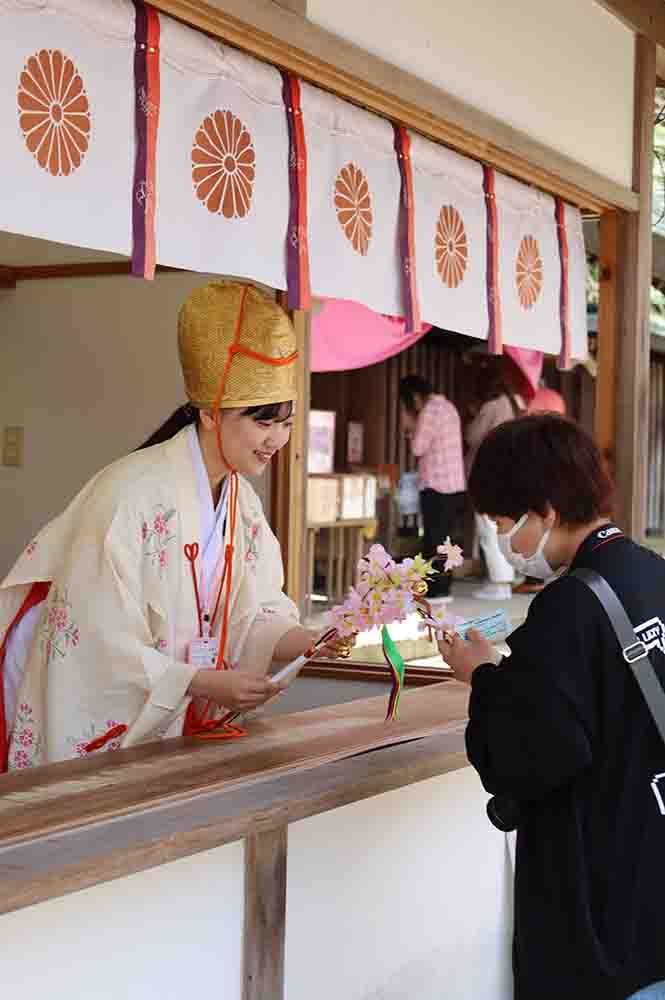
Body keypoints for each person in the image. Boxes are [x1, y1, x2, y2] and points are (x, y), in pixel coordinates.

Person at [0, 280, 343, 770]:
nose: (276, 440)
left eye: (285, 423)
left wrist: (312, 641)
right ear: (209, 414)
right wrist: (198, 681)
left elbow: (256, 610)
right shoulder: (129, 494)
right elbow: (97, 639)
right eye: (262, 422)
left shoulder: (240, 503)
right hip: (111, 719)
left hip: (173, 717)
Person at [442, 414, 665, 1000]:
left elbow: (531, 755)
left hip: (598, 904)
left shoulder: (568, 606)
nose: (505, 546)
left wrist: (483, 677)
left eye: (502, 525)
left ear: (544, 510)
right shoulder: (653, 573)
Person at [399, 375, 465, 601]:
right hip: (455, 484)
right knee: (445, 540)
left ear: (414, 397)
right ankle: (444, 585)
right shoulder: (447, 406)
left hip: (436, 484)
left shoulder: (428, 411)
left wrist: (409, 427)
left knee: (433, 539)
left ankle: (435, 590)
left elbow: (418, 447)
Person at [465, 357, 525, 600]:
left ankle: (499, 583)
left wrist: (473, 415)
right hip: (508, 472)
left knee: (489, 529)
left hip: (489, 473)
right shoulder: (513, 404)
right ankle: (505, 580)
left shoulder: (492, 407)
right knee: (502, 528)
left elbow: (472, 435)